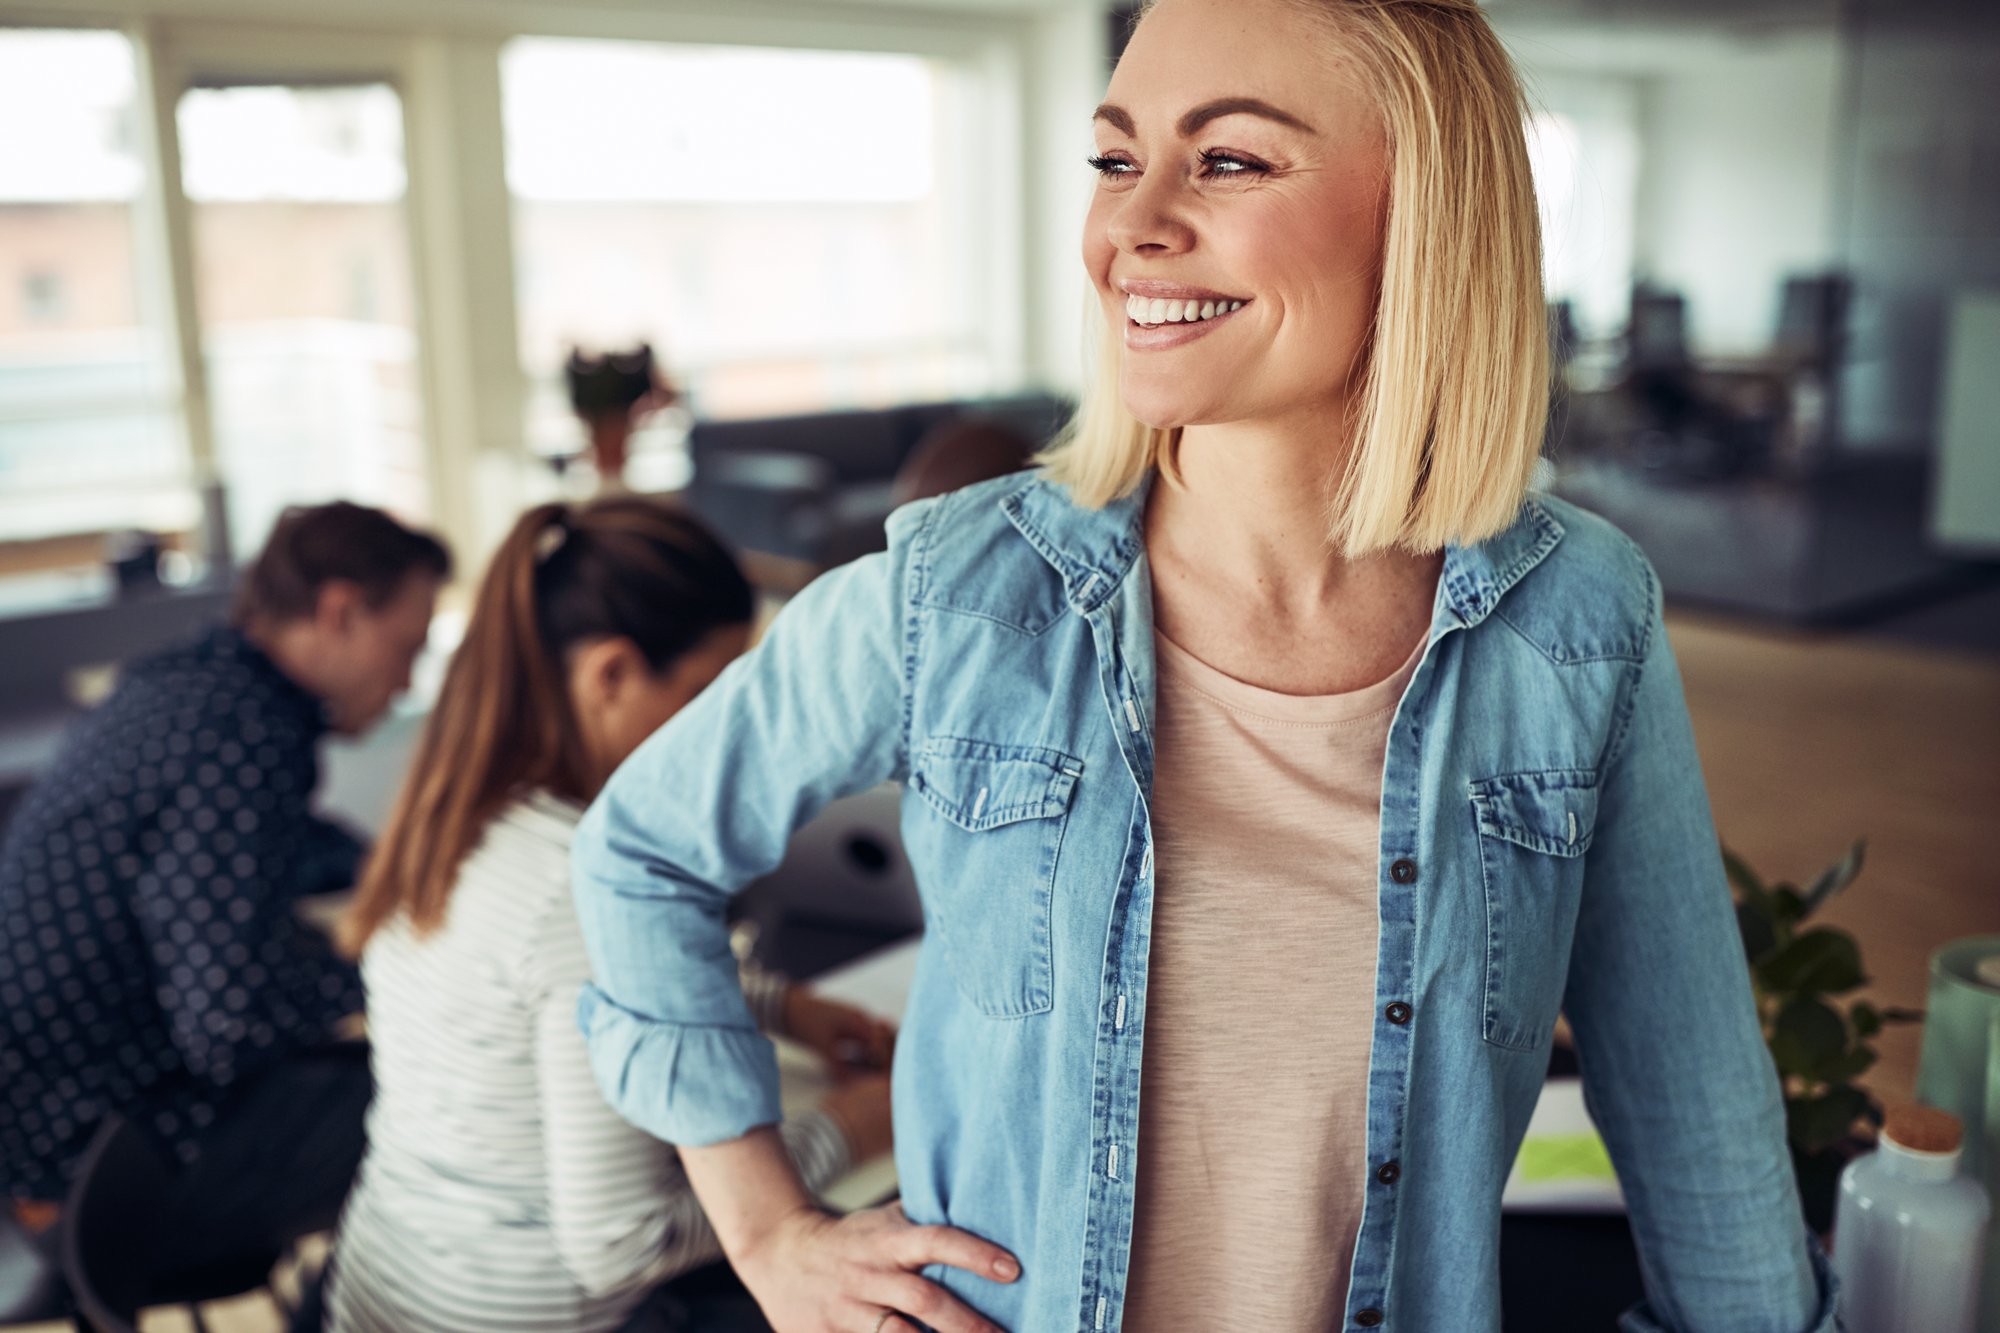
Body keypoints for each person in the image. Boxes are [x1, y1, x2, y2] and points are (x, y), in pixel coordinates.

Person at [569, 0, 1839, 1330]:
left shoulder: (1580, 620)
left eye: (1228, 160)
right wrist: (771, 1232)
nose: (1131, 226)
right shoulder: (962, 591)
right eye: (1117, 159)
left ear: (1428, 215)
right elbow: (640, 852)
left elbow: (1691, 1090)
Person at [327, 497, 895, 1333]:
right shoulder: (579, 885)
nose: (728, 731)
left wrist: (780, 1005)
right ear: (611, 675)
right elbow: (624, 1241)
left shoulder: (462, 821)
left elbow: (575, 987)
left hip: (393, 1287)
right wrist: (849, 1125)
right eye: (709, 691)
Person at [0, 501, 448, 1245]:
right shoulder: (243, 737)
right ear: (339, 611)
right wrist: (394, 969)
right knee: (445, 1103)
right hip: (92, 1168)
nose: (405, 682)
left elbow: (284, 842)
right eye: (408, 648)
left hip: (44, 1120)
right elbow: (227, 1024)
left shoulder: (194, 683)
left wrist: (387, 869)